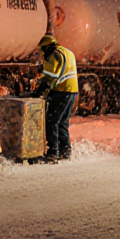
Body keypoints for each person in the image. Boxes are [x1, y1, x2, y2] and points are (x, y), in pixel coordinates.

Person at [33, 34, 78, 163]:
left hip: (61, 92)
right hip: (72, 91)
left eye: (42, 50)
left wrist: (40, 92)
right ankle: (65, 152)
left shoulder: (54, 55)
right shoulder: (67, 52)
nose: (41, 54)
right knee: (62, 123)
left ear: (47, 47)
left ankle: (52, 153)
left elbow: (51, 76)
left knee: (51, 122)